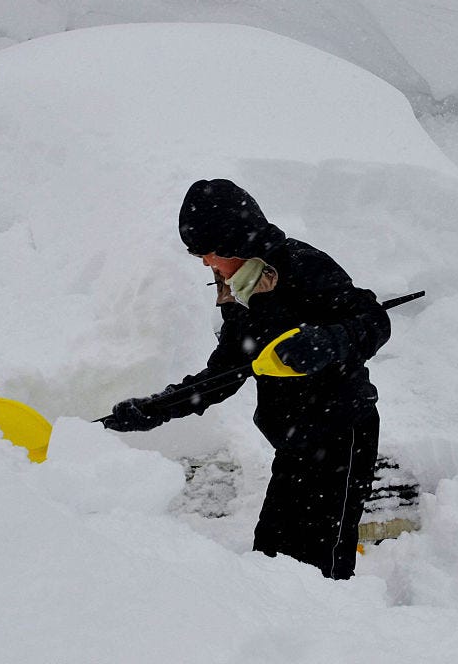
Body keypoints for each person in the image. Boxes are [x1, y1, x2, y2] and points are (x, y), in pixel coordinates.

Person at [103, 178, 391, 580]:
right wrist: (156, 409)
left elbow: (374, 320)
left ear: (233, 244)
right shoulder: (237, 291)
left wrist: (327, 342)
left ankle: (331, 637)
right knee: (272, 562)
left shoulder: (304, 266)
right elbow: (226, 372)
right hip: (294, 441)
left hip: (340, 432)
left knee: (320, 568)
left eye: (207, 253)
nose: (205, 263)